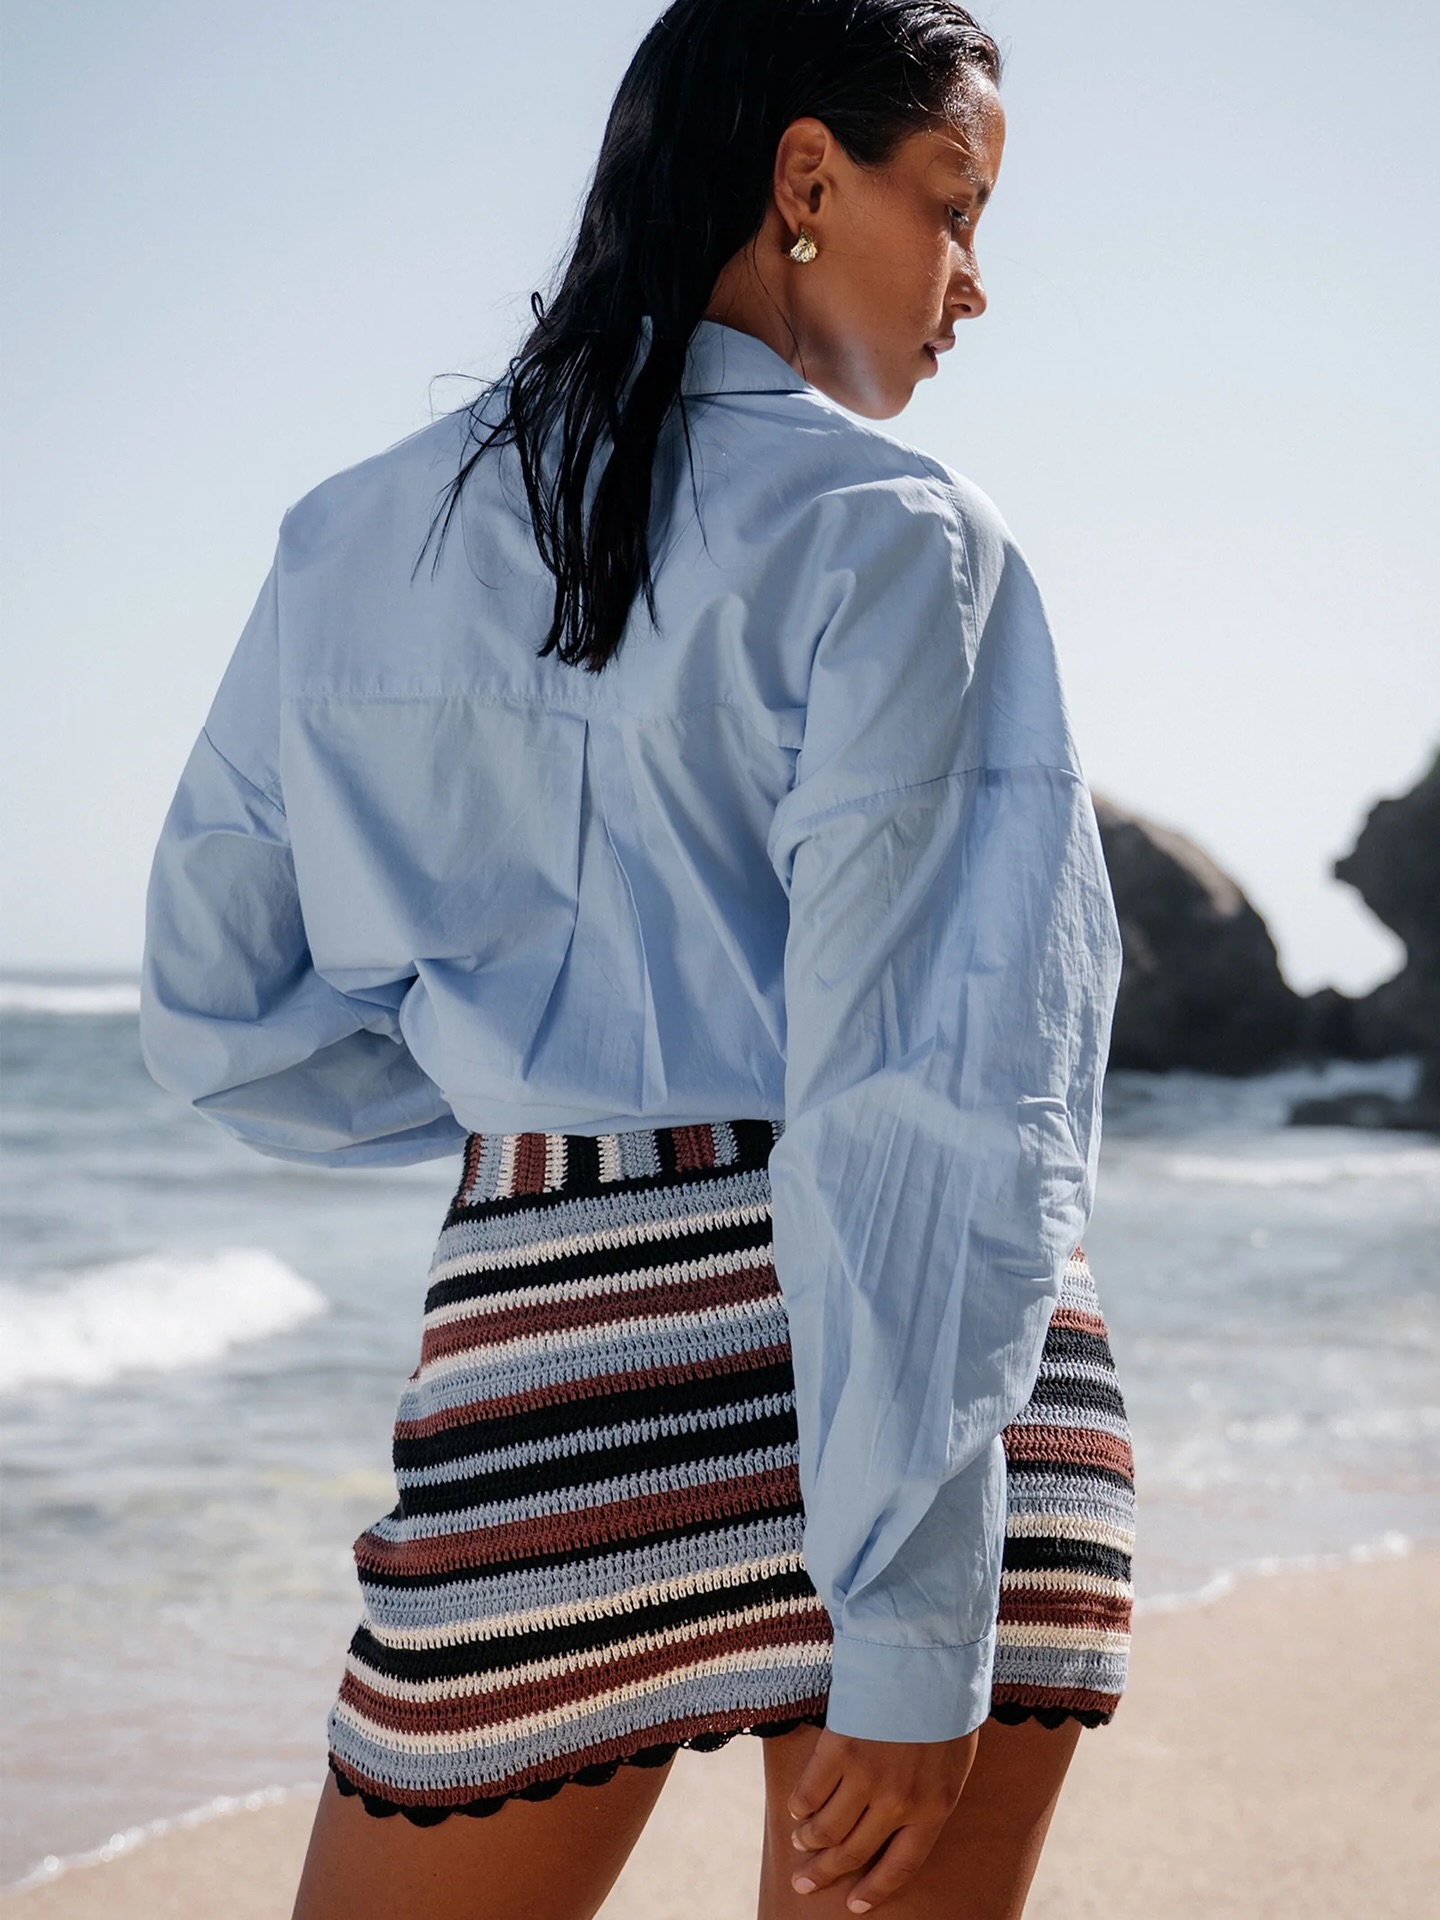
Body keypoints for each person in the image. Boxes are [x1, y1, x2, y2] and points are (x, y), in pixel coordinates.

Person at [139, 2, 1135, 1914]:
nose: (977, 285)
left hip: (548, 1353)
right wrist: (917, 1628)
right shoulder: (901, 539)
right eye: (960, 207)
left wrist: (541, 1100)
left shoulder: (351, 539)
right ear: (807, 180)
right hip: (927, 1411)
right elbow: (930, 1097)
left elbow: (222, 1019)